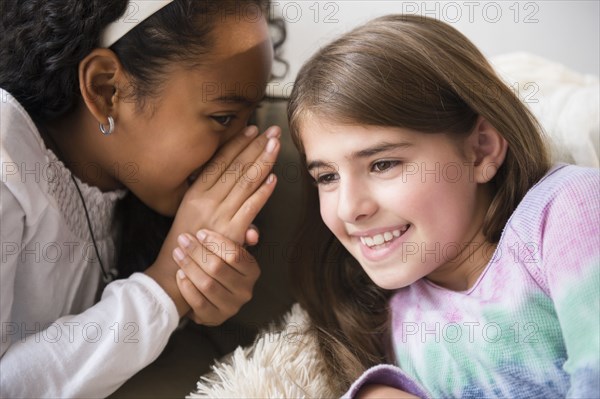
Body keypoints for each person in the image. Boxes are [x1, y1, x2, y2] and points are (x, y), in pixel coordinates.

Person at [284, 14, 599, 398]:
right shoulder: (395, 328)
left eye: (383, 164)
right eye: (327, 177)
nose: (350, 208)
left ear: (480, 149)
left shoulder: (569, 209)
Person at [0, 0, 284, 397]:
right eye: (223, 118)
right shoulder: (6, 151)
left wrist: (192, 292)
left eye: (249, 118)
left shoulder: (137, 193)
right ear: (106, 89)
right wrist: (166, 285)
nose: (239, 148)